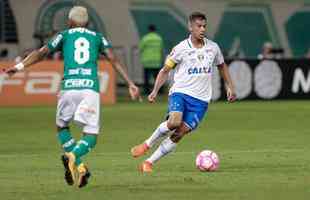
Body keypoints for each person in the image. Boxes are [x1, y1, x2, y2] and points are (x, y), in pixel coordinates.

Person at [3, 6, 140, 187]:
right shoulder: (98, 37)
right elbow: (113, 59)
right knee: (90, 134)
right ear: (88, 22)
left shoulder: (64, 35)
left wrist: (19, 67)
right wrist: (130, 83)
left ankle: (81, 167)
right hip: (89, 87)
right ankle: (73, 156)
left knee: (62, 127)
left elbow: (41, 53)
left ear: (69, 21)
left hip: (68, 87)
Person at [131, 12, 236, 173]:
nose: (202, 29)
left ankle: (149, 162)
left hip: (201, 101)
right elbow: (165, 70)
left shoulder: (213, 48)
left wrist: (230, 86)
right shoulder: (180, 48)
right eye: (199, 26)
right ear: (190, 27)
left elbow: (222, 66)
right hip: (180, 92)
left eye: (204, 26)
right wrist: (154, 91)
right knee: (174, 122)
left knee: (180, 133)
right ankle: (147, 144)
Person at [139, 24, 164, 94]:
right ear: (155, 30)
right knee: (158, 77)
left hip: (147, 61)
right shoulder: (159, 38)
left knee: (146, 78)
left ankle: (146, 91)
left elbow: (141, 48)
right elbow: (161, 49)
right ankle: (159, 90)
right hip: (156, 60)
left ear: (149, 30)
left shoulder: (145, 38)